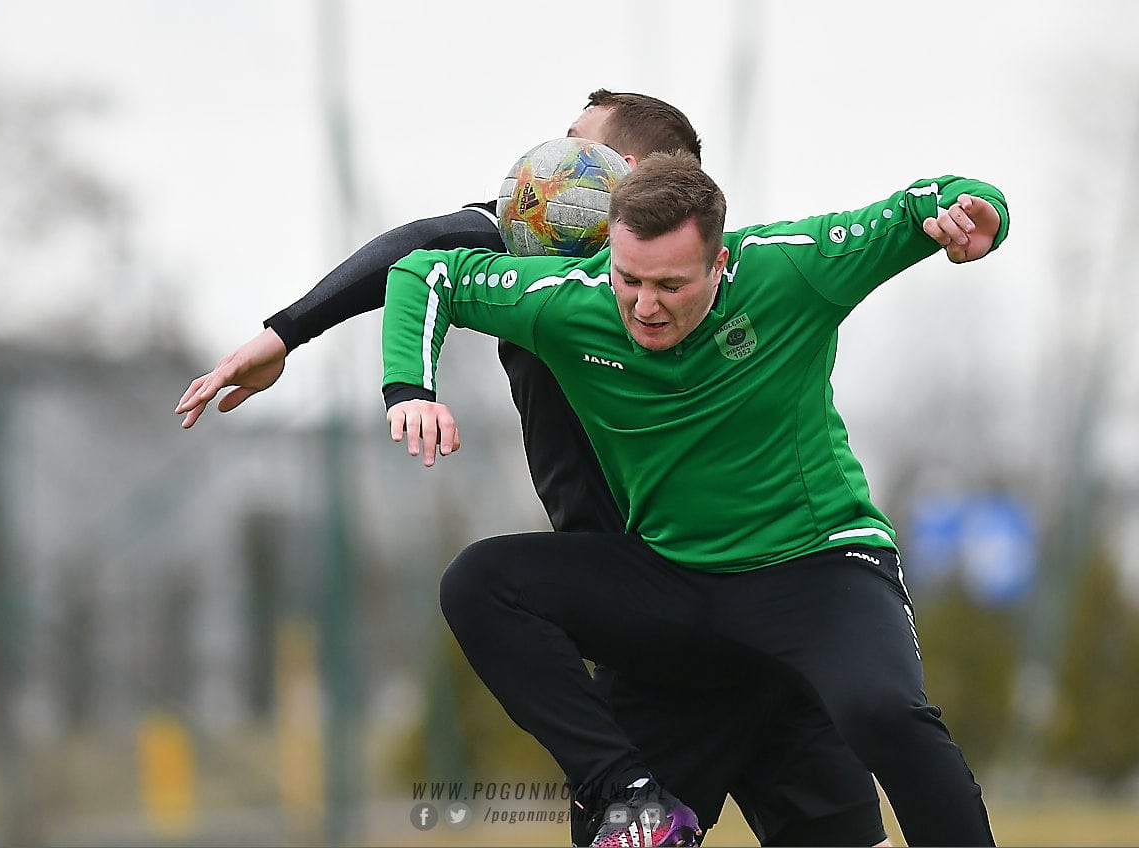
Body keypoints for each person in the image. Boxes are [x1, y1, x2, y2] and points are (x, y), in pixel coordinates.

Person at [178, 92, 890, 847]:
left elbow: (422, 241)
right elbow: (421, 252)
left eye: (574, 144)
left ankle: (629, 789)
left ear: (622, 173)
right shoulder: (563, 251)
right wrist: (289, 334)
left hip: (670, 627)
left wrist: (284, 334)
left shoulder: (620, 267)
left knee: (490, 593)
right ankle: (631, 790)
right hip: (744, 619)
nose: (545, 163)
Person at [380, 152, 1009, 846]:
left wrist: (978, 215)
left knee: (881, 711)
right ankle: (628, 795)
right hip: (674, 583)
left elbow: (931, 200)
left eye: (671, 285)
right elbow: (425, 272)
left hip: (816, 570)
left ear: (718, 264)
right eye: (629, 279)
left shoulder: (790, 269)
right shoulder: (570, 300)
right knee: (480, 583)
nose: (645, 306)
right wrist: (409, 388)